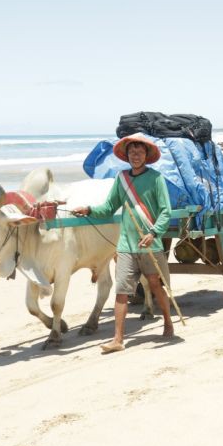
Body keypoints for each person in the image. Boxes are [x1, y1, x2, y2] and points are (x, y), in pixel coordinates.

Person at [72, 133, 174, 353]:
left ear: (146, 155)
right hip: (126, 245)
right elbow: (109, 207)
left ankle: (167, 323)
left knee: (156, 286)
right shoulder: (122, 179)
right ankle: (118, 339)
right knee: (122, 292)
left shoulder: (156, 179)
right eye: (132, 152)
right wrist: (88, 209)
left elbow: (166, 211)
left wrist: (154, 233)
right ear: (127, 156)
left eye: (140, 152)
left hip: (150, 245)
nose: (135, 155)